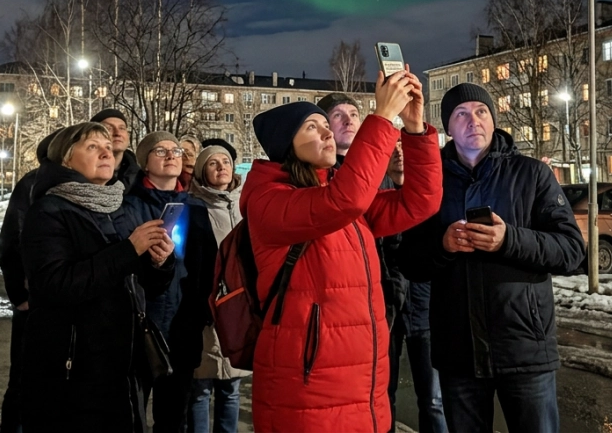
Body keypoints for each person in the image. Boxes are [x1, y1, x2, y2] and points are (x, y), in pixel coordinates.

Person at [241, 69, 443, 433]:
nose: (328, 132)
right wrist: (380, 119)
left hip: (364, 387)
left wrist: (413, 128)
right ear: (286, 144)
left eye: (326, 125)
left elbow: (421, 202)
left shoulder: (337, 195)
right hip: (308, 389)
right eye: (312, 127)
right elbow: (347, 198)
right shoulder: (268, 200)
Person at [400, 84, 585, 433]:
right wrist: (443, 244)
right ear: (448, 128)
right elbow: (410, 262)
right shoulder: (430, 181)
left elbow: (571, 250)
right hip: (459, 352)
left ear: (494, 119)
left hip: (524, 347)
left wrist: (509, 239)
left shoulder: (532, 174)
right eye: (461, 114)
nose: (474, 121)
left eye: (481, 111)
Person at [18, 122, 175, 432]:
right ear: (66, 159)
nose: (106, 152)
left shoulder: (118, 207)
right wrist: (129, 250)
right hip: (73, 370)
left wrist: (159, 263)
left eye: (107, 147)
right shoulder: (49, 210)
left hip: (123, 369)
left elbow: (143, 286)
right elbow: (54, 285)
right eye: (92, 147)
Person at [125, 131, 215, 433]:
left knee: (174, 417)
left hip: (182, 325)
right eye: (160, 151)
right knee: (130, 412)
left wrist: (201, 312)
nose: (171, 155)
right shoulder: (128, 206)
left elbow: (208, 266)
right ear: (145, 162)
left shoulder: (196, 208)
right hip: (139, 325)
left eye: (176, 150)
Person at [382, 140, 447, 433]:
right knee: (384, 396)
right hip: (386, 309)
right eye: (392, 149)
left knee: (433, 399)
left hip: (426, 308)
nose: (399, 154)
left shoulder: (429, 197)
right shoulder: (375, 197)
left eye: (403, 147)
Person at [0, 130, 59, 433]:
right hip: (32, 301)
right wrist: (19, 294)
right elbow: (11, 240)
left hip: (60, 300)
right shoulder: (33, 184)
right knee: (23, 380)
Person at [186, 145, 248, 433]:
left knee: (231, 386)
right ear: (202, 171)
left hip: (239, 307)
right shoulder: (193, 207)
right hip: (206, 306)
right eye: (213, 163)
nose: (222, 167)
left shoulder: (245, 203)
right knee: (200, 387)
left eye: (226, 161)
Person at [92, 108, 142, 191]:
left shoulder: (141, 178)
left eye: (122, 128)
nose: (117, 133)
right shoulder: (80, 175)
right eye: (109, 128)